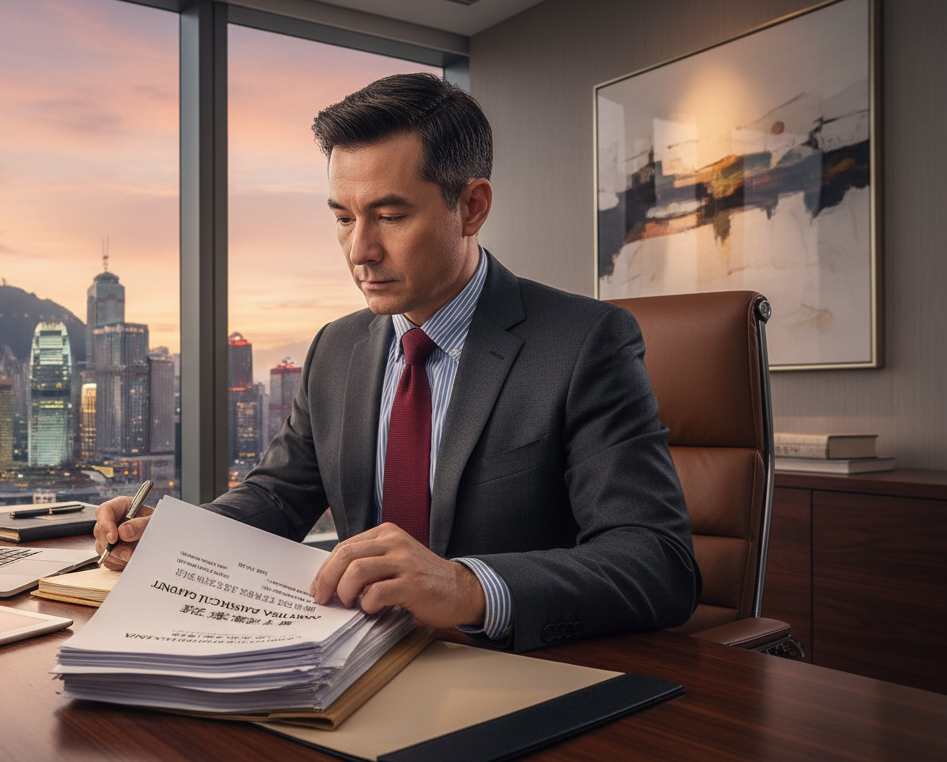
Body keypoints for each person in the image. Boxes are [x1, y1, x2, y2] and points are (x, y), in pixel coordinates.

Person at [95, 73, 699, 652]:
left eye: (389, 216)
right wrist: (173, 536)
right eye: (342, 218)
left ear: (472, 207)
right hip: (350, 660)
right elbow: (278, 498)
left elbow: (657, 562)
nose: (360, 250)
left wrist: (467, 587)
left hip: (512, 669)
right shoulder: (335, 348)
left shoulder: (585, 342)